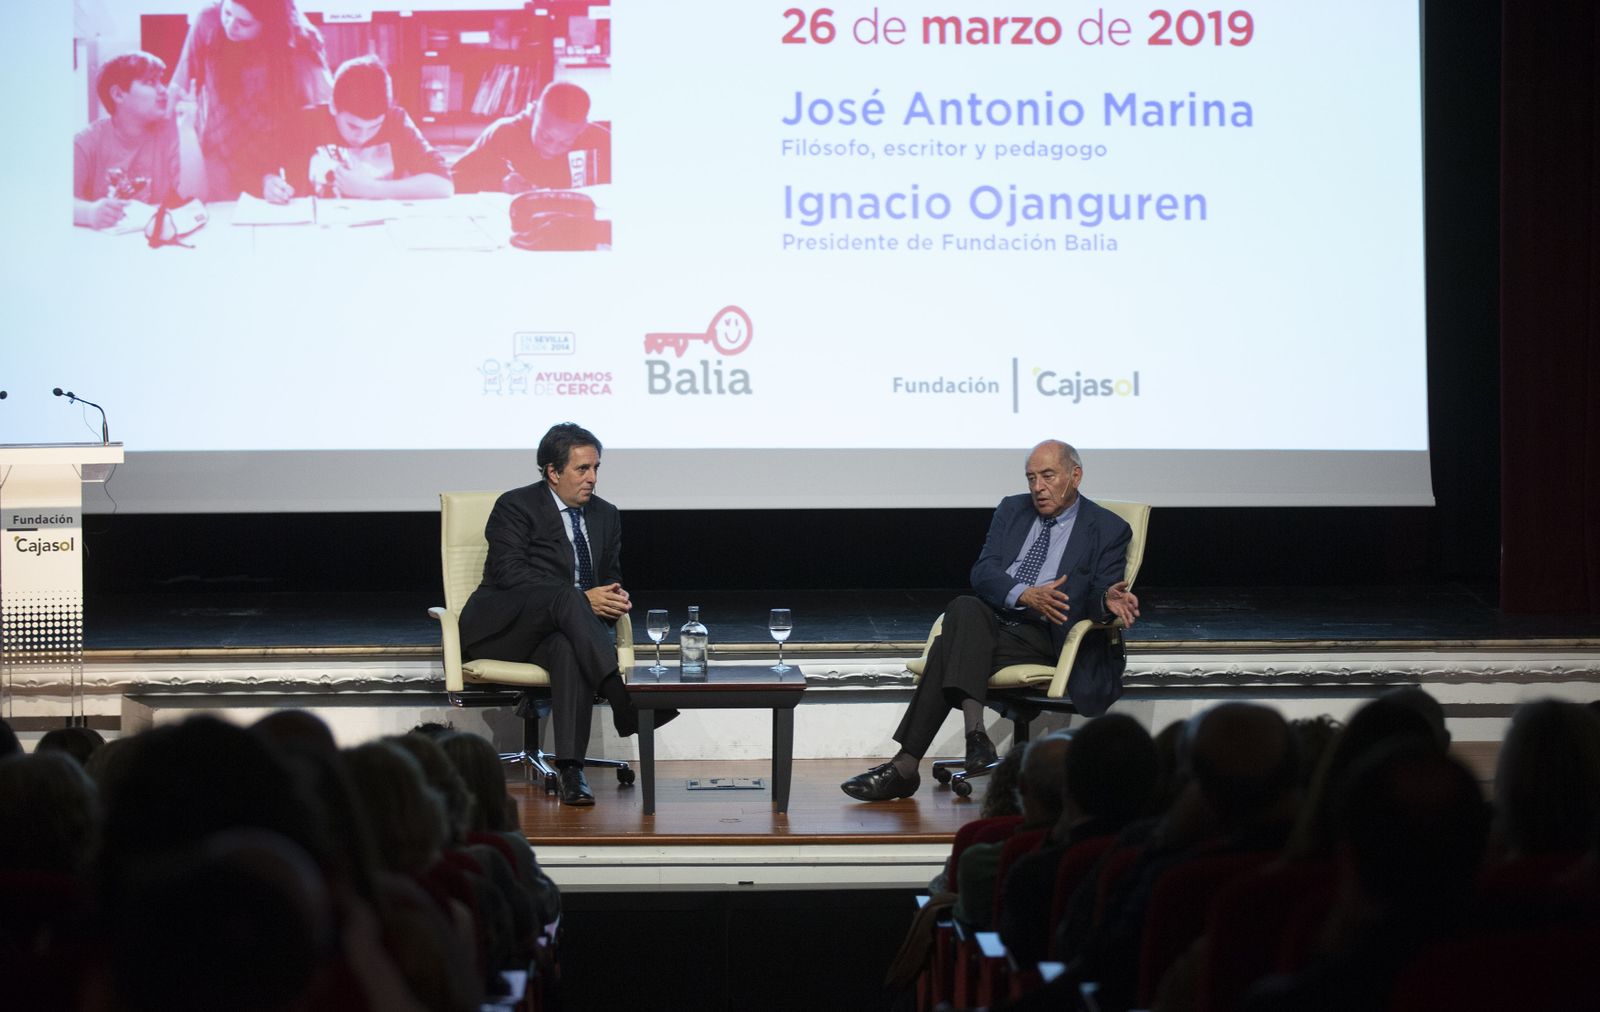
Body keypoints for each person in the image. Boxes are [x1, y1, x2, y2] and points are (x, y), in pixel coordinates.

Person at [842, 440, 1140, 802]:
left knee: (949, 643)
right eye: (1031, 478)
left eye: (1048, 476)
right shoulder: (1013, 510)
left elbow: (1099, 595)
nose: (1037, 487)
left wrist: (1108, 602)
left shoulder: (1108, 528)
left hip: (1047, 632)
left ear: (1075, 476)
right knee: (966, 607)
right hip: (994, 619)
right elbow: (983, 571)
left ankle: (906, 767)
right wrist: (1023, 592)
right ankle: (975, 737)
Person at [459, 423, 670, 806]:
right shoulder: (516, 505)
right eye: (582, 469)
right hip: (503, 627)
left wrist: (613, 597)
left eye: (596, 468)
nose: (592, 478)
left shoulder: (606, 514)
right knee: (567, 598)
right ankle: (622, 701)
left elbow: (610, 575)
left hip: (563, 634)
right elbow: (509, 572)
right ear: (553, 473)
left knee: (567, 649)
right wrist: (578, 598)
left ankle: (571, 769)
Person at [172, 0, 331, 202]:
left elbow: (326, 104)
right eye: (227, 13)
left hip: (274, 167)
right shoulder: (208, 21)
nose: (230, 26)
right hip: (219, 158)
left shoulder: (299, 39)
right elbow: (179, 89)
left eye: (244, 23)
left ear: (271, 25)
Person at [73, 51, 205, 229]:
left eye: (161, 81)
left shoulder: (170, 134)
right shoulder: (87, 141)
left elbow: (196, 198)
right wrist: (89, 212)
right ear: (118, 95)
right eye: (150, 82)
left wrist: (187, 129)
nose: (163, 90)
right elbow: (54, 202)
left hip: (153, 243)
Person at [293, 56, 451, 200]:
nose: (362, 137)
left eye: (374, 127)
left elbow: (444, 186)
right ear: (333, 106)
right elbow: (271, 171)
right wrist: (269, 181)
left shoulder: (396, 120)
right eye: (353, 126)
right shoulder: (307, 121)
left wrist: (370, 189)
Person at [451, 80, 611, 193]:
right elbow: (452, 181)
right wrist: (499, 184)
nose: (552, 148)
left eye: (566, 143)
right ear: (533, 113)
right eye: (545, 137)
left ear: (583, 128)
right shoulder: (504, 133)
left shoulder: (601, 141)